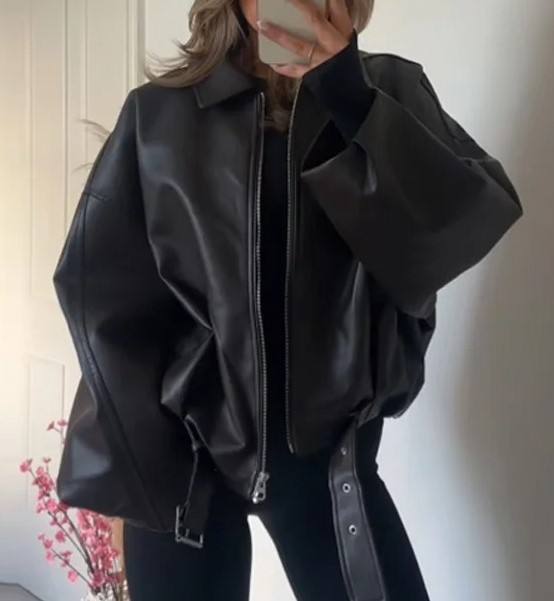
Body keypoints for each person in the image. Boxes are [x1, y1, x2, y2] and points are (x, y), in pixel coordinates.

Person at [51, 0, 523, 599]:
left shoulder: (387, 91)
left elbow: (458, 230)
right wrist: (136, 472)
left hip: (332, 463)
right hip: (186, 465)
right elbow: (108, 301)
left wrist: (350, 98)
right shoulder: (158, 115)